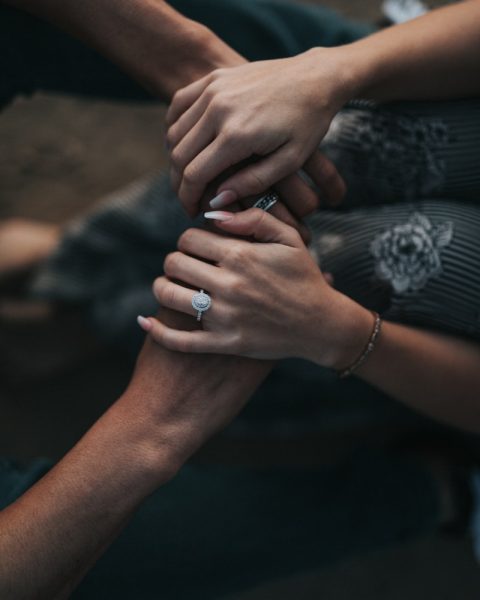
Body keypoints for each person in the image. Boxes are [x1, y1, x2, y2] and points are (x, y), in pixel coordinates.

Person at [0, 1, 477, 599]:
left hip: (407, 334)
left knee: (234, 305)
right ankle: (75, 268)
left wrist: (343, 334)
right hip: (403, 129)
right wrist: (330, 71)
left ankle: (86, 299)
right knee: (245, 181)